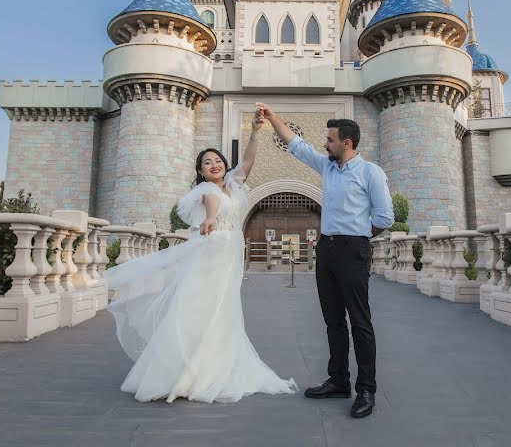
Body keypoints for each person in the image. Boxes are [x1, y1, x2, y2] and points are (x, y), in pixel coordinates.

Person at [104, 112, 297, 404]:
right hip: (214, 251)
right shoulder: (207, 191)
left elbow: (247, 162)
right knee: (203, 307)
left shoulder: (231, 185)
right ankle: (187, 372)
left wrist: (256, 133)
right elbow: (211, 206)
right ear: (201, 172)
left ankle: (210, 364)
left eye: (217, 160)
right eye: (207, 163)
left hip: (228, 253)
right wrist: (209, 220)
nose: (214, 164)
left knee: (223, 308)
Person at [256, 103, 393, 419]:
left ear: (347, 143)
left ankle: (366, 389)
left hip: (353, 249)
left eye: (330, 139)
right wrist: (273, 116)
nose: (324, 144)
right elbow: (296, 145)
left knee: (359, 321)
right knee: (333, 321)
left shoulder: (371, 172)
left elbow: (385, 216)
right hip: (327, 250)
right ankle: (338, 381)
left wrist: (358, 236)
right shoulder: (328, 166)